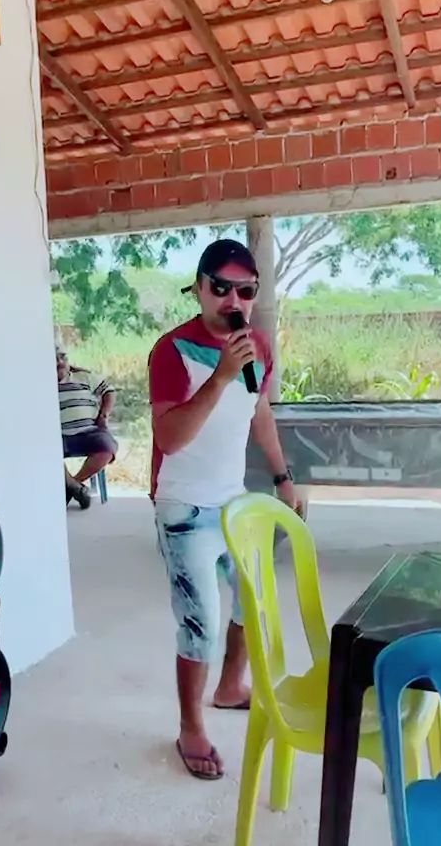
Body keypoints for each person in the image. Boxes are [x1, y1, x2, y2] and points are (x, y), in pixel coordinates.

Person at [148, 239, 297, 780]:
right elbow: (170, 437)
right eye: (221, 288)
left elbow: (260, 413)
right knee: (200, 623)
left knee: (252, 603)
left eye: (246, 290)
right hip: (184, 506)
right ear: (199, 288)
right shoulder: (172, 351)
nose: (234, 301)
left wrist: (282, 477)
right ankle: (190, 726)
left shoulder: (257, 345)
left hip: (235, 501)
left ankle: (231, 685)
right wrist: (220, 377)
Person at [56, 345, 118, 508]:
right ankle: (76, 488)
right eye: (54, 359)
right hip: (58, 436)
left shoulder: (83, 376)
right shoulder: (40, 383)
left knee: (107, 448)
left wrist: (104, 415)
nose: (60, 362)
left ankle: (73, 485)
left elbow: (109, 391)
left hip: (89, 432)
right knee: (44, 450)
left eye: (63, 357)